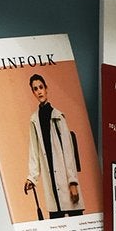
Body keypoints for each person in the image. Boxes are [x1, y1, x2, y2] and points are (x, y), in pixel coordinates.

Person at [23, 72, 83, 219]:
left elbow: (68, 151)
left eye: (41, 87)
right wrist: (32, 177)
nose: (39, 91)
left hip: (65, 178)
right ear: (33, 92)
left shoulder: (58, 117)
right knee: (56, 221)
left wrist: (73, 182)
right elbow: (34, 151)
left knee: (76, 220)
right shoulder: (34, 120)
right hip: (50, 178)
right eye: (35, 89)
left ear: (46, 89)